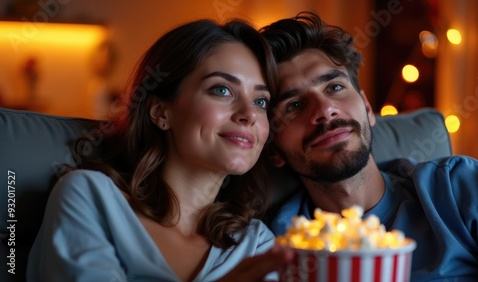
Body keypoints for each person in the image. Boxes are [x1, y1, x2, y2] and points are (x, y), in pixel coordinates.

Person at [27, 18, 293, 281]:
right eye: (222, 90)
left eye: (260, 101)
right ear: (160, 111)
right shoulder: (90, 196)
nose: (249, 114)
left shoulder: (257, 244)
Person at [260, 11, 478, 280]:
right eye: (294, 105)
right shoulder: (277, 247)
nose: (325, 110)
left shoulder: (463, 187)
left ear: (367, 107)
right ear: (272, 149)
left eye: (334, 87)